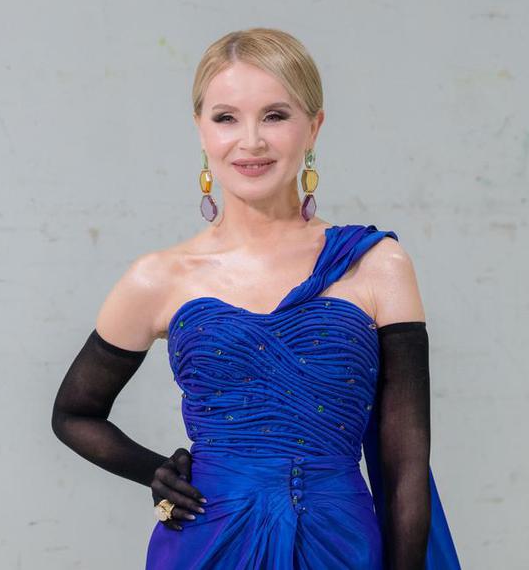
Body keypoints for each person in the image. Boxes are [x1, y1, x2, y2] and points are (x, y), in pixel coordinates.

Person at [51, 28, 461, 569]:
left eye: (275, 116)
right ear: (200, 129)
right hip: (207, 544)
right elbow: (74, 414)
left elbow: (405, 469)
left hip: (340, 546)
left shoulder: (376, 264)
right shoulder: (158, 278)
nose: (251, 141)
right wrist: (155, 471)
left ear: (314, 126)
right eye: (226, 117)